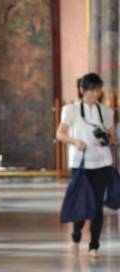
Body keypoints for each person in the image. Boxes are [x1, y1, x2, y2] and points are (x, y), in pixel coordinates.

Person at [56, 73, 115, 258]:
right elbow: (60, 134)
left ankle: (94, 245)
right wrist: (75, 141)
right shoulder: (70, 110)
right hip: (80, 164)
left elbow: (113, 137)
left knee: (97, 206)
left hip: (101, 162)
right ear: (82, 90)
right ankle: (75, 237)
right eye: (89, 90)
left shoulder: (106, 111)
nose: (93, 94)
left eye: (96, 90)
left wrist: (107, 141)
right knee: (82, 202)